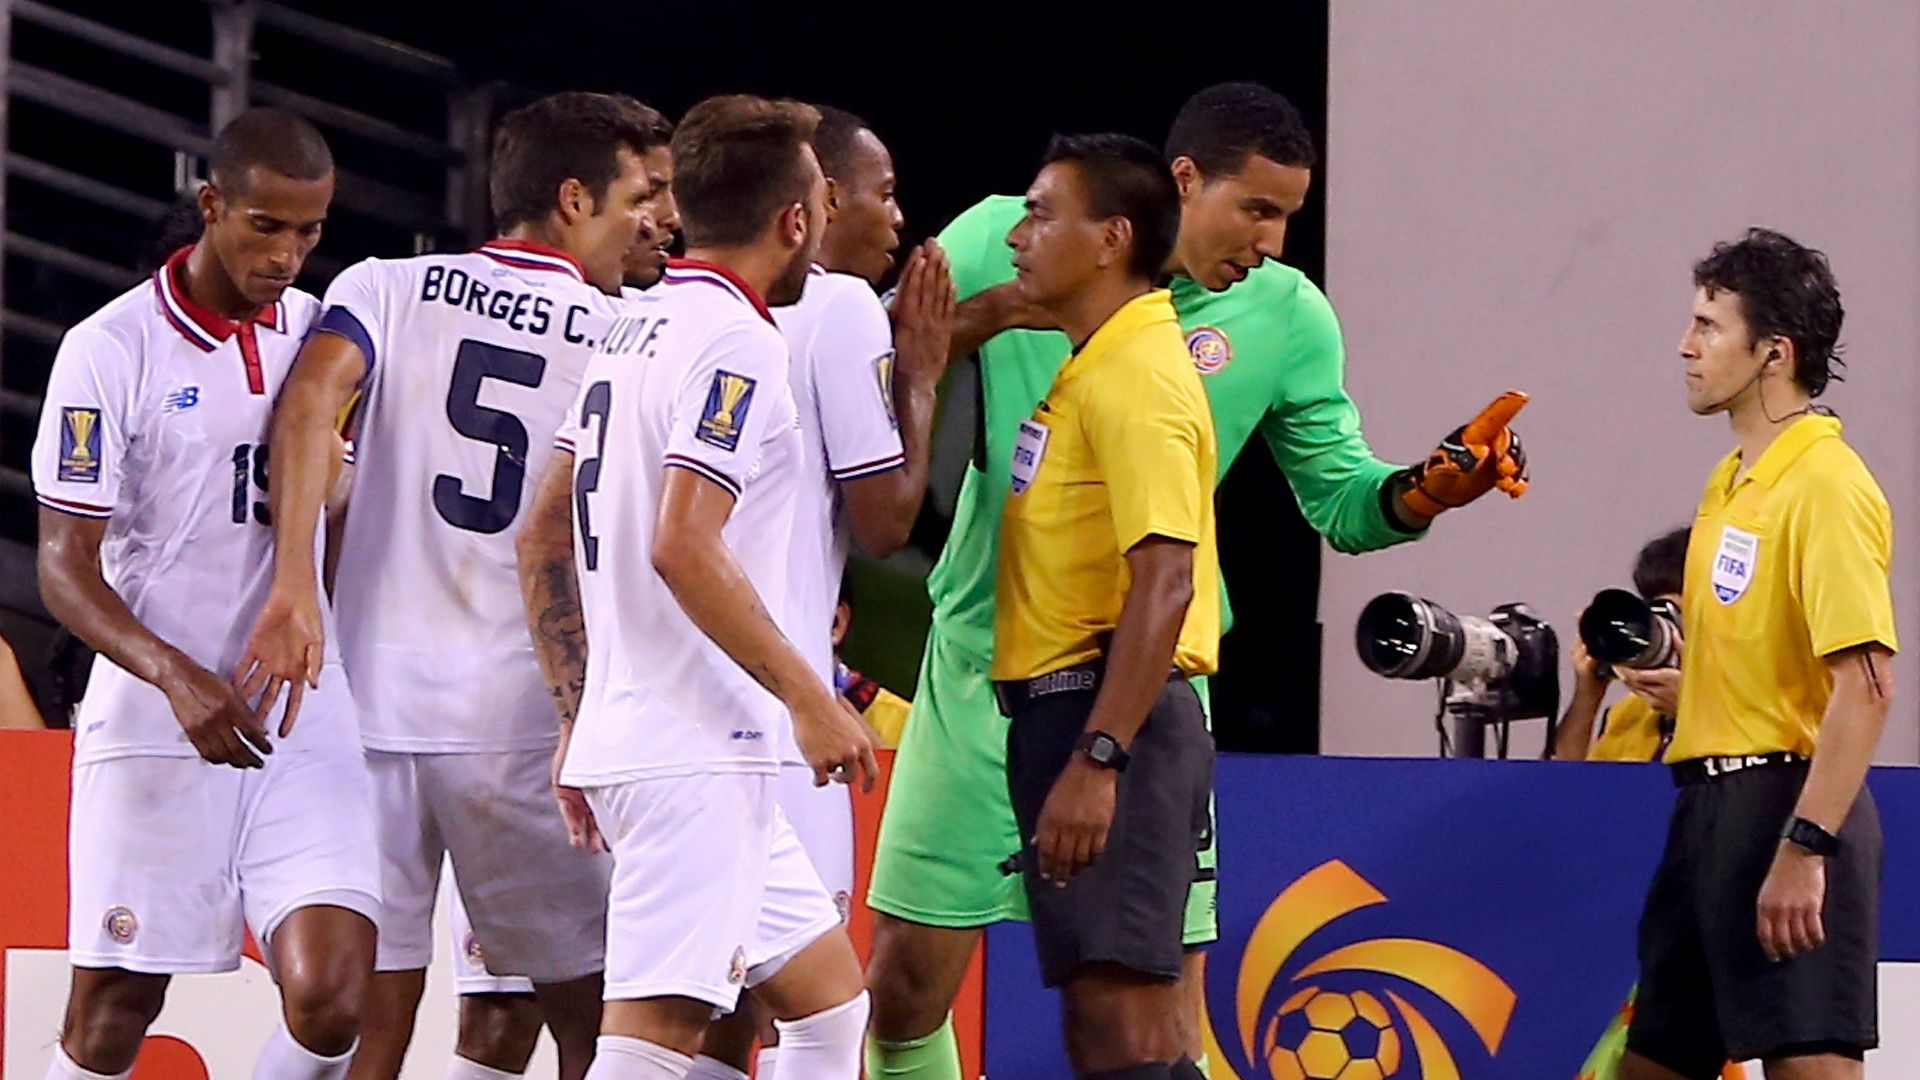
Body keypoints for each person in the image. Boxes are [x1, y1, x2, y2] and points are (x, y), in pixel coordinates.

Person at [864, 81, 1529, 1079]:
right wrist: (993, 313)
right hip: (974, 674)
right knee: (905, 997)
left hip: (1135, 686)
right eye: (1257, 209)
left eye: (1289, 216)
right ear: (1182, 183)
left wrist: (1428, 492)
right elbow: (874, 359)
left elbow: (1340, 504)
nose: (1273, 241)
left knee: (1152, 1019)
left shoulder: (1276, 319)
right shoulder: (1019, 237)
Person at [241, 91, 674, 1080]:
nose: (648, 226)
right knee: (597, 1022)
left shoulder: (388, 284)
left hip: (366, 709)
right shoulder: (625, 331)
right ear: (572, 201)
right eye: (633, 201)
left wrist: (296, 583)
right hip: (519, 723)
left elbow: (307, 406)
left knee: (367, 1028)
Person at [516, 94, 877, 1080]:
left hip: (661, 736)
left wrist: (579, 712)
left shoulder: (629, 327)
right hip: (696, 755)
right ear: (796, 221)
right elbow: (683, 542)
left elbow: (545, 530)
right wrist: (813, 697)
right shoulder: (739, 342)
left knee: (830, 1010)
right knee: (652, 1037)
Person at [31, 108, 380, 1080]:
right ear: (212, 206)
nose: (289, 254)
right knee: (114, 1016)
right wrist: (178, 677)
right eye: (267, 226)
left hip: (300, 713)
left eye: (310, 232)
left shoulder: (323, 341)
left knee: (333, 1001)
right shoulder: (110, 350)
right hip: (159, 715)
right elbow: (63, 563)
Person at [696, 104, 954, 1080]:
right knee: (820, 1016)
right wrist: (920, 376)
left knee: (704, 1013)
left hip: (661, 706)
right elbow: (887, 523)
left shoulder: (673, 309)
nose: (898, 220)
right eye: (883, 195)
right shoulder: (840, 307)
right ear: (822, 200)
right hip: (776, 716)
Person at [1621, 229, 1895, 1080]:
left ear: (1774, 353)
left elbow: (1868, 687)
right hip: (1706, 809)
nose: (1685, 344)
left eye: (1709, 326)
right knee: (1653, 1063)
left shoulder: (1828, 483)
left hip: (1790, 806)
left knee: (1808, 1070)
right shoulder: (1731, 479)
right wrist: (1696, 690)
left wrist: (1805, 848)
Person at [989, 132, 1217, 1079]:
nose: (1017, 235)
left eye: (1042, 213)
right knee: (1109, 1023)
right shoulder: (1092, 361)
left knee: (1122, 1025)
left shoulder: (1139, 373)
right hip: (1068, 713)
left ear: (1112, 237)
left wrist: (1099, 756)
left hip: (1106, 715)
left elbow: (1166, 576)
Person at [1554, 527, 1689, 763]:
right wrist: (1587, 695)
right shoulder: (1628, 715)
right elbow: (1565, 788)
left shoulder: (1758, 709)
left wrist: (1694, 711)